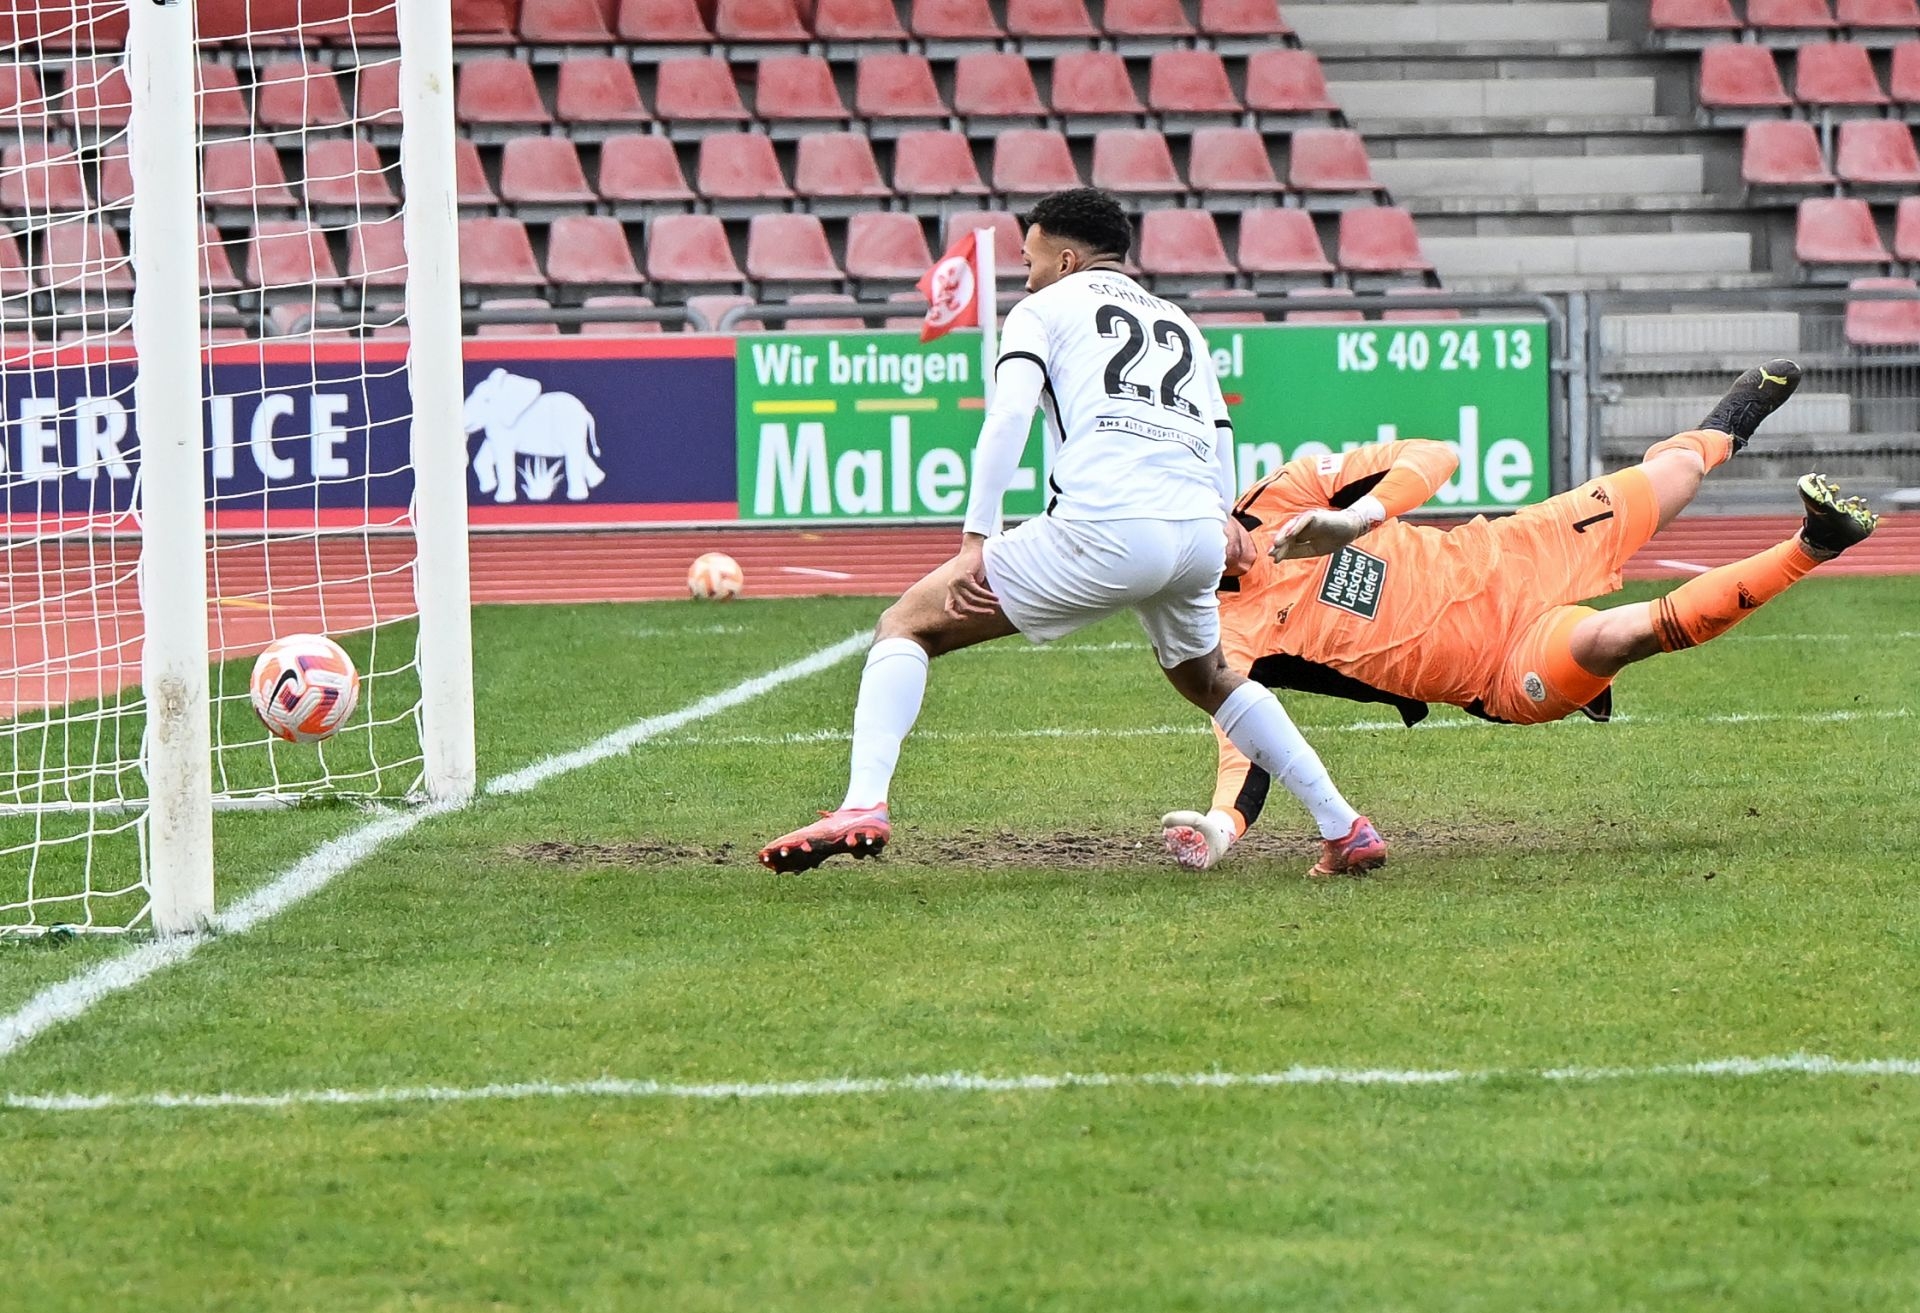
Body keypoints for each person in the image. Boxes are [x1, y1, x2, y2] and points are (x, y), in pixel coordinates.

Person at [758, 188, 1386, 878]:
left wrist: (976, 539)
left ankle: (861, 804)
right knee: (1209, 677)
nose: (1026, 278)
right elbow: (1219, 427)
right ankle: (1344, 826)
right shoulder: (1178, 320)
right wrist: (1228, 515)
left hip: (1105, 527)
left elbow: (1007, 418)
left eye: (1030, 261)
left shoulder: (1043, 309)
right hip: (1194, 535)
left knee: (907, 624)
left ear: (1064, 260)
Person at [1159, 359, 1882, 872]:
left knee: (1678, 472)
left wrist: (1359, 518)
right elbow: (1245, 745)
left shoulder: (1283, 493)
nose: (1218, 537)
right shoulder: (1223, 634)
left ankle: (1729, 424)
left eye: (1202, 516)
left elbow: (1434, 455)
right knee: (1620, 634)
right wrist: (1223, 826)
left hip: (1516, 550)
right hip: (1502, 667)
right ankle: (1815, 543)